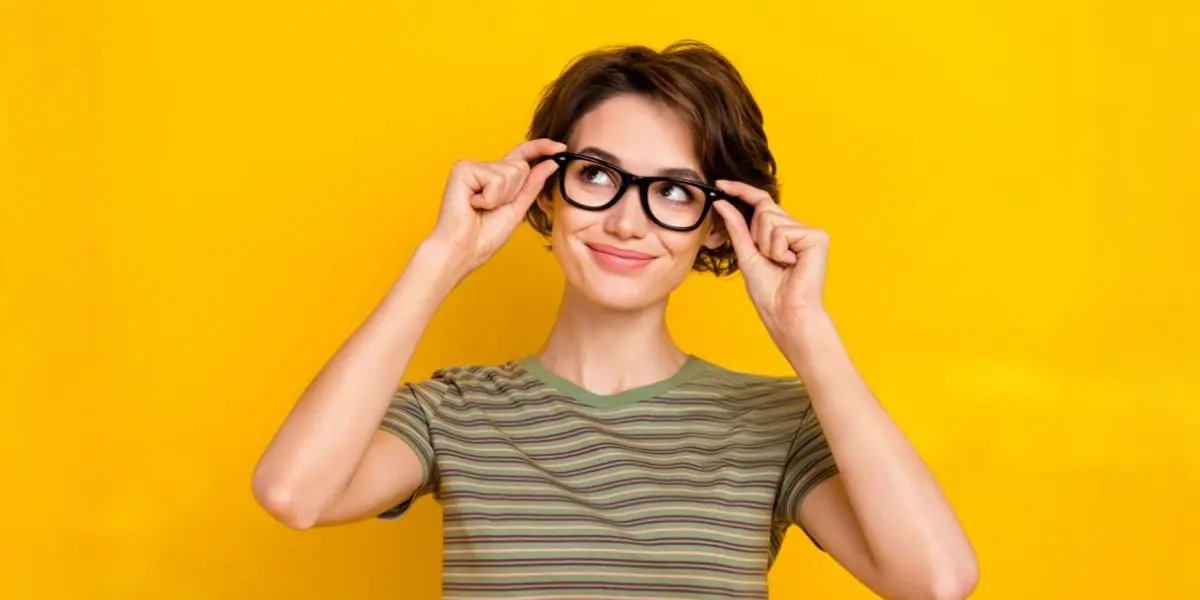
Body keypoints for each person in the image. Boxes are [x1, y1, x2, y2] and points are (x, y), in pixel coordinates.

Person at [252, 40, 979, 599]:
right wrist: (442, 258)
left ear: (720, 226)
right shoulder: (456, 412)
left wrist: (806, 331)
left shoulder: (774, 426)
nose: (627, 222)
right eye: (596, 175)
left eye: (672, 191)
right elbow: (293, 493)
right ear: (547, 192)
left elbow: (937, 581)